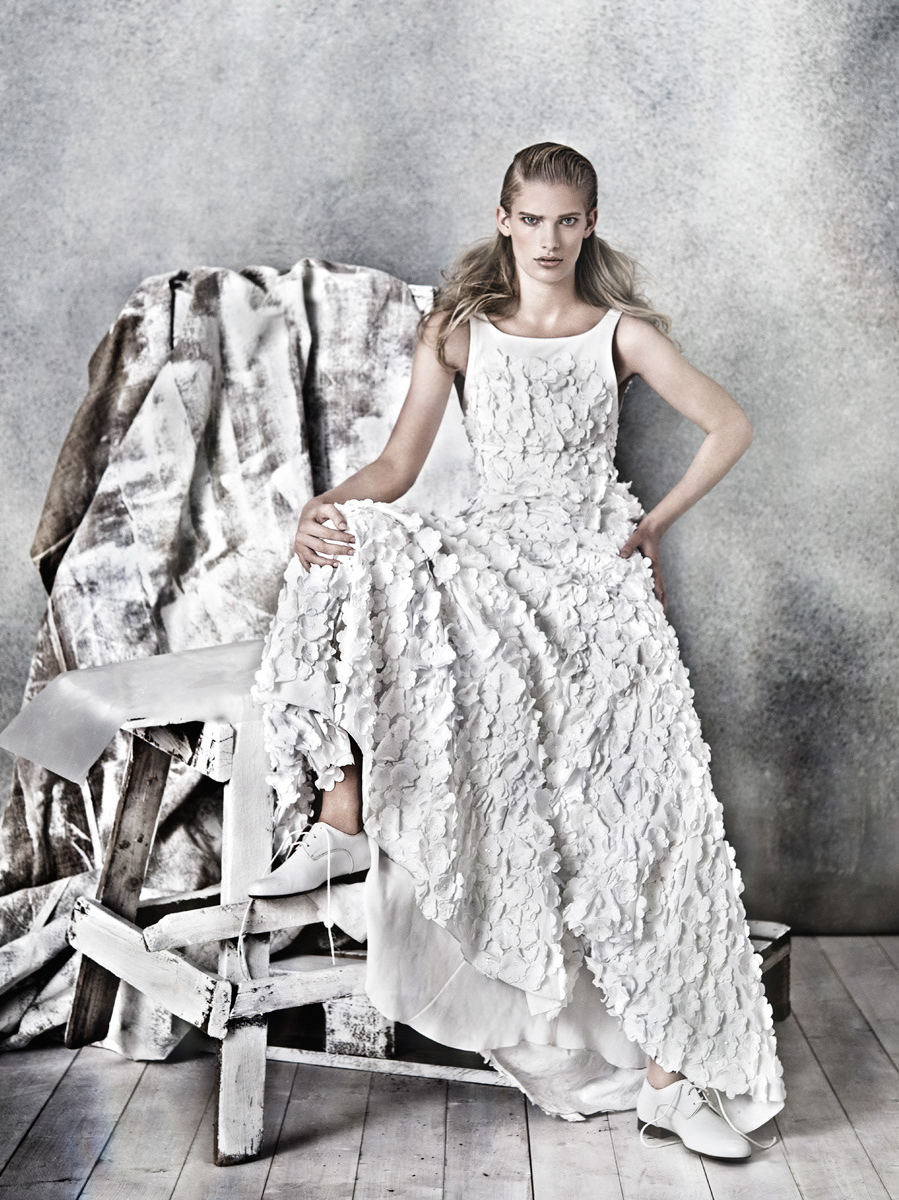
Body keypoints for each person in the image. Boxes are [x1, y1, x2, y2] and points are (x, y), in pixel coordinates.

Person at [248, 142, 786, 1159]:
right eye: (530, 219)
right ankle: (339, 801)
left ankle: (671, 1078)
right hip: (494, 552)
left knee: (643, 802)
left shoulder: (619, 333)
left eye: (565, 221)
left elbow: (728, 425)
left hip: (586, 565)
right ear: (503, 220)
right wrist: (326, 506)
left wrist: (651, 524)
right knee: (350, 541)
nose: (547, 239)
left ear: (589, 224)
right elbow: (399, 463)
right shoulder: (459, 330)